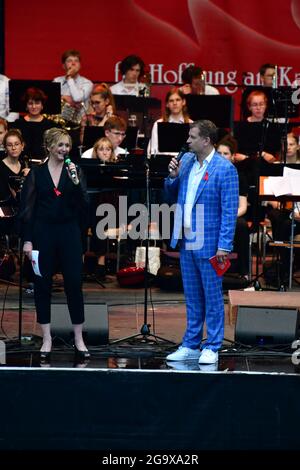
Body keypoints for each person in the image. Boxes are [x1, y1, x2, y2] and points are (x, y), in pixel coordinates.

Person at [165, 120, 239, 364]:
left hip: (210, 242)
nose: (187, 141)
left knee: (212, 296)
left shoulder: (225, 169)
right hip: (188, 238)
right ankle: (191, 344)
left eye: (192, 137)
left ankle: (213, 345)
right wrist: (172, 177)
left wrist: (224, 246)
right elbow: (170, 193)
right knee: (192, 295)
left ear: (206, 140)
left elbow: (229, 211)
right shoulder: (185, 162)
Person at [19, 128, 90, 361]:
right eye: (60, 145)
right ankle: (47, 337)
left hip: (69, 232)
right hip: (43, 234)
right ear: (49, 146)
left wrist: (77, 182)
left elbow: (84, 205)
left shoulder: (75, 171)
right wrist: (27, 240)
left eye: (67, 146)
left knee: (73, 284)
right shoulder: (36, 173)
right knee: (42, 285)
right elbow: (28, 209)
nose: (64, 150)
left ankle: (79, 338)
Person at [216, 137, 250, 279]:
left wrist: (228, 217)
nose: (222, 157)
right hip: (211, 214)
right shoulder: (208, 173)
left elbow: (243, 207)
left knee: (241, 226)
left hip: (232, 215)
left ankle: (243, 273)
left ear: (233, 157)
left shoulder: (239, 176)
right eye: (219, 153)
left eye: (226, 153)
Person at [11, 87, 57, 160]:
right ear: (26, 106)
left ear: (42, 105)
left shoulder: (50, 125)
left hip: (44, 163)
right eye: (30, 103)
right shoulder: (18, 124)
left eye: (37, 103)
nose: (34, 106)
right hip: (22, 162)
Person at [148, 87, 193, 155]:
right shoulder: (158, 124)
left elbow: (194, 151)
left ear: (183, 102)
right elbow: (153, 151)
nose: (175, 103)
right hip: (163, 163)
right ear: (167, 104)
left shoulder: (192, 124)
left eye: (178, 100)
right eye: (171, 101)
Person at [53, 49, 93, 126]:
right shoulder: (57, 81)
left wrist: (69, 78)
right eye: (69, 61)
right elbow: (52, 102)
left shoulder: (87, 83)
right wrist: (64, 98)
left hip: (79, 124)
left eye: (76, 61)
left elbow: (77, 98)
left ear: (80, 65)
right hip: (58, 122)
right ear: (64, 66)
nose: (73, 63)